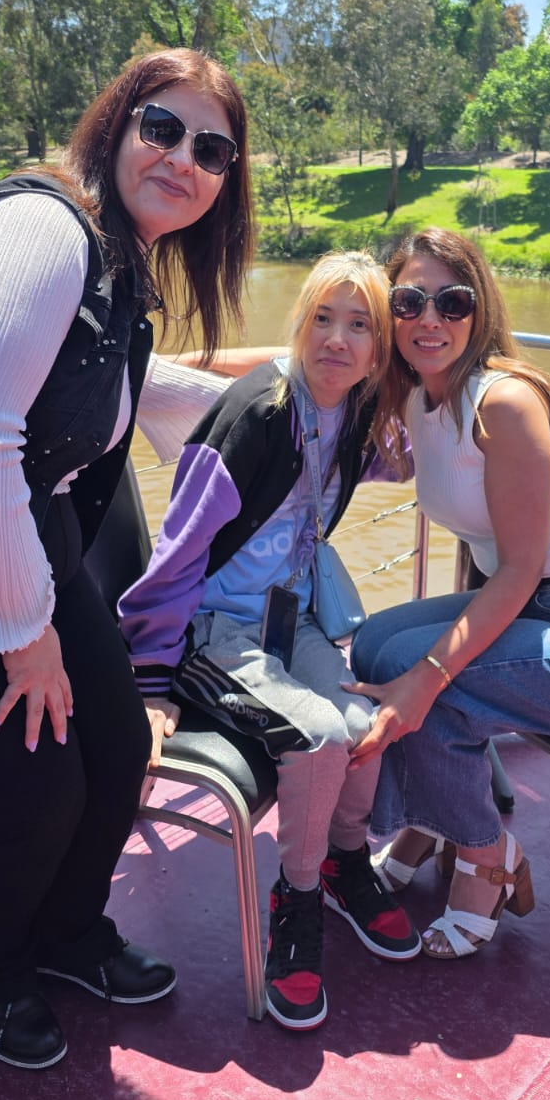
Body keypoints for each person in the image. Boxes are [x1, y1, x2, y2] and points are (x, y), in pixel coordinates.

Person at [0, 47, 254, 1068]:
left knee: (116, 753)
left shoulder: (114, 267)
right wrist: (24, 634)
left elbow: (121, 391)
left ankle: (67, 934)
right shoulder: (42, 231)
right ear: (116, 125)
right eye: (162, 127)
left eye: (211, 149)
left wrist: (315, 398)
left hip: (32, 541)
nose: (182, 158)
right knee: (33, 790)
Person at [347, 227, 550, 961]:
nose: (430, 319)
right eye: (409, 301)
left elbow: (520, 570)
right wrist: (175, 371)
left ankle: (486, 857)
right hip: (541, 608)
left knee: (434, 685)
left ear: (479, 310)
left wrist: (429, 675)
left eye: (452, 301)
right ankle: (428, 825)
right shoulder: (421, 396)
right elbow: (301, 357)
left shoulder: (504, 402)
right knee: (374, 644)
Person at [119, 252, 422, 1033]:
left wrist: (441, 385)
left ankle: (342, 860)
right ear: (298, 325)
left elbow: (405, 458)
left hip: (291, 618)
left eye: (359, 326)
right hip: (211, 628)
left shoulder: (355, 416)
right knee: (319, 736)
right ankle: (297, 898)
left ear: (379, 349)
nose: (336, 340)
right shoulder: (257, 414)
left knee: (365, 723)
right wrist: (149, 682)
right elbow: (178, 550)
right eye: (321, 318)